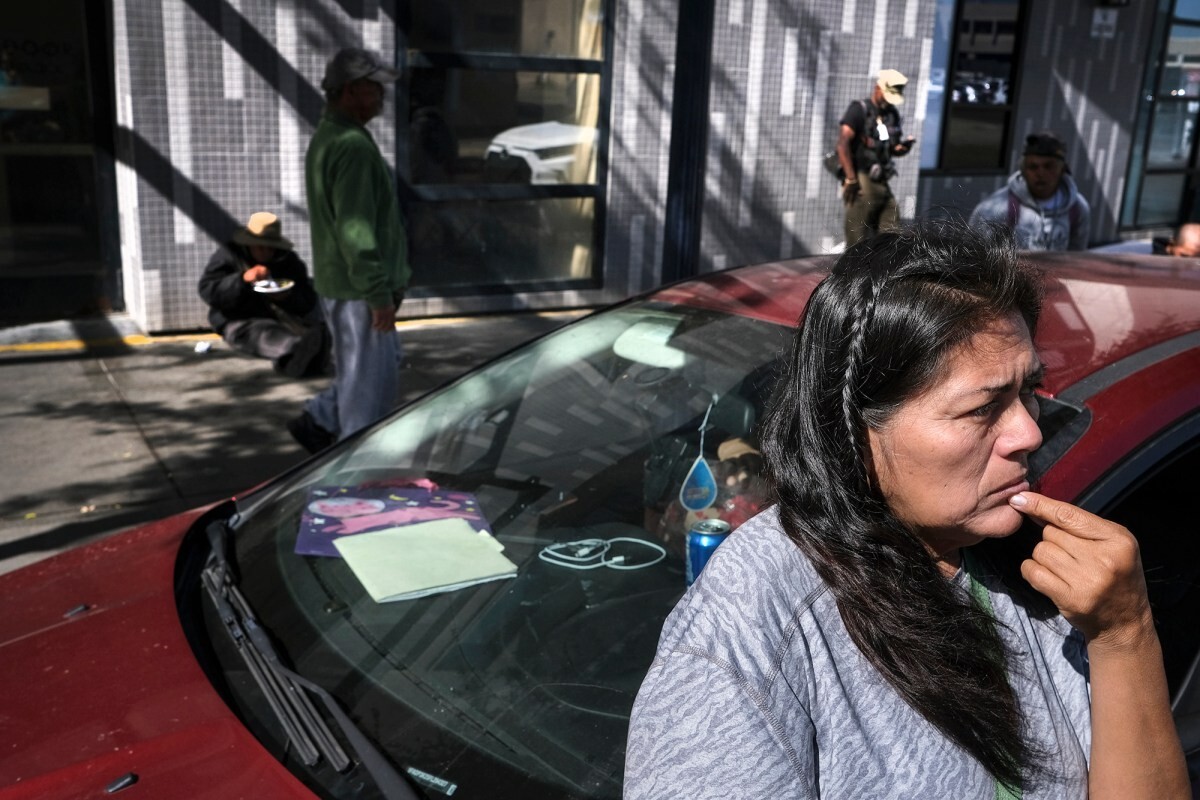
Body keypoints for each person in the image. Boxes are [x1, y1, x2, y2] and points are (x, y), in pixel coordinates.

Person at [624, 223, 1188, 799]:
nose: (1027, 432)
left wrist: (1126, 634)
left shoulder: (1037, 578)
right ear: (855, 429)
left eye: (1028, 393)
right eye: (981, 409)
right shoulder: (758, 623)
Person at [290, 47, 411, 455]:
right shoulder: (352, 146)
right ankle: (354, 477)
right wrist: (378, 295)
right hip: (359, 290)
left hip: (344, 285)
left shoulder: (330, 137)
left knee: (374, 370)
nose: (382, 97)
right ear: (351, 91)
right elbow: (355, 229)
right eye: (375, 88)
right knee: (368, 401)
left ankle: (320, 417)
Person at [197, 211, 327, 378]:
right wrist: (242, 280)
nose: (266, 252)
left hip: (282, 316)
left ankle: (308, 352)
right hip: (240, 319)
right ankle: (294, 352)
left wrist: (288, 297)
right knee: (264, 335)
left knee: (312, 325)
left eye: (270, 247)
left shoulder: (287, 259)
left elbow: (307, 298)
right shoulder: (230, 255)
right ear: (249, 243)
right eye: (260, 246)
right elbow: (209, 290)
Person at [969, 130, 1091, 251]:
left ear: (1062, 169)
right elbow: (977, 257)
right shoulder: (996, 209)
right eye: (1033, 167)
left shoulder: (1077, 208)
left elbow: (1076, 258)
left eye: (1049, 166)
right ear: (1023, 170)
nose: (1040, 173)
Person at [835, 68, 916, 247]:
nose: (889, 101)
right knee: (857, 239)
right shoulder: (859, 110)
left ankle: (885, 269)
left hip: (881, 180)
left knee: (891, 229)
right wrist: (850, 179)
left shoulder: (891, 115)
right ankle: (853, 272)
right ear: (878, 88)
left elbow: (893, 148)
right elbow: (842, 144)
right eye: (888, 95)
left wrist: (904, 147)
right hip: (862, 178)